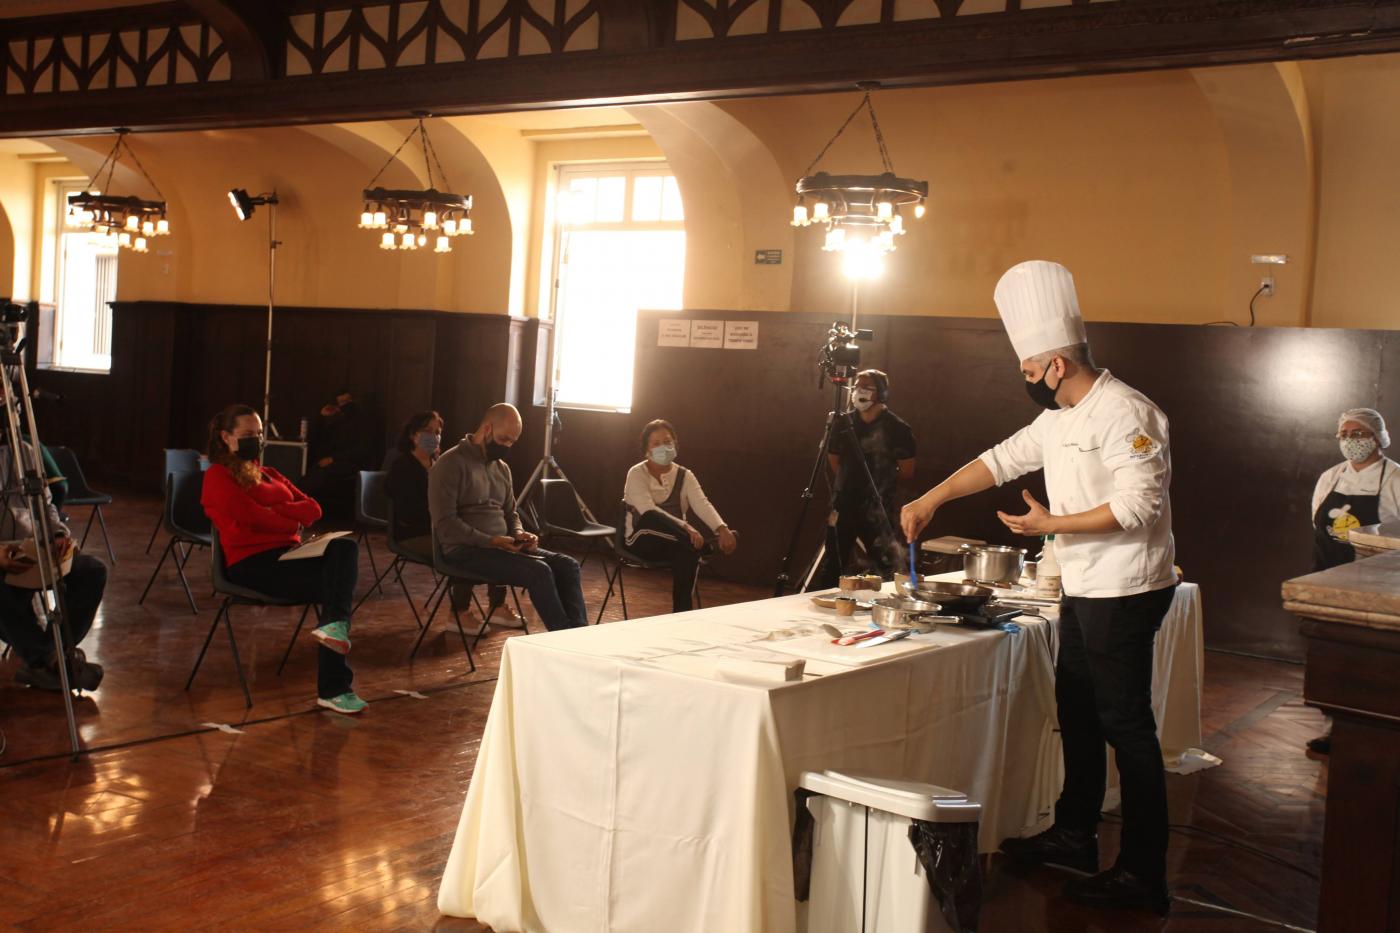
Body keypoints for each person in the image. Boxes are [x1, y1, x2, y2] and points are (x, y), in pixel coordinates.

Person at [901, 260, 1177, 915]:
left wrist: (1053, 525)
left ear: (1056, 364)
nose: (1025, 378)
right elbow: (999, 460)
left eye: (1028, 369)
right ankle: (1075, 833)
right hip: (1083, 586)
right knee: (1076, 708)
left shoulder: (1128, 411)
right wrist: (931, 498)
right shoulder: (1059, 418)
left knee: (1126, 726)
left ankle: (1143, 872)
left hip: (1126, 588)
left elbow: (1139, 506)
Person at [201, 403, 366, 715]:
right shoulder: (218, 476)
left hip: (288, 555)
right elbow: (251, 518)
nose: (256, 439)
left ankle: (334, 633)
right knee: (337, 590)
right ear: (226, 437)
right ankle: (335, 688)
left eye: (259, 433)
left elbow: (314, 510)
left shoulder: (270, 474)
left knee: (345, 549)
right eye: (248, 434)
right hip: (251, 564)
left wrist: (275, 512)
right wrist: (290, 520)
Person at [428, 403, 586, 631]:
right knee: (539, 571)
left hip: (502, 547)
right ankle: (562, 637)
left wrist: (519, 533)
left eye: (512, 441)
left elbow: (511, 513)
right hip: (464, 550)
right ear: (487, 428)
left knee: (568, 566)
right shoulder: (449, 464)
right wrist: (492, 541)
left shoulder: (501, 468)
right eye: (503, 439)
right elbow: (446, 526)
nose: (507, 446)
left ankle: (577, 634)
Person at [1304, 407, 1399, 755]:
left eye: (1358, 433)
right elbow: (1316, 521)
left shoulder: (1395, 478)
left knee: (1371, 659)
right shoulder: (1330, 477)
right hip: (1328, 573)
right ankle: (1334, 727)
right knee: (1331, 654)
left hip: (1374, 583)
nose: (1350, 441)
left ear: (1378, 437)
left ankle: (1378, 728)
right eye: (1344, 434)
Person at [385, 410, 520, 622]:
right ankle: (459, 611)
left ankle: (497, 605)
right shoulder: (402, 466)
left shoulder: (438, 463)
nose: (434, 436)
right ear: (413, 434)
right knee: (464, 542)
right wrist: (450, 520)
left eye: (437, 432)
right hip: (414, 533)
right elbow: (409, 512)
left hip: (442, 529)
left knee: (492, 536)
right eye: (427, 431)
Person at [0, 435, 106, 692]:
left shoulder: (24, 451)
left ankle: (55, 658)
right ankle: (51, 660)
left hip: (31, 547)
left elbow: (45, 504)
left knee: (92, 571)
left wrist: (57, 534)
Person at [811, 368, 916, 588]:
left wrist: (880, 482)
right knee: (833, 564)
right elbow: (833, 460)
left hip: (879, 507)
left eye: (867, 387)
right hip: (844, 503)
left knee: (886, 565)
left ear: (882, 393)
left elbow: (907, 470)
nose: (859, 391)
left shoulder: (898, 428)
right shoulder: (842, 423)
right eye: (857, 386)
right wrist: (851, 481)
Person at [622, 419, 737, 613]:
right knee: (652, 516)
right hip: (640, 540)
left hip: (676, 542)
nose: (663, 447)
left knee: (687, 553)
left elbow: (701, 503)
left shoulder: (685, 475)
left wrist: (722, 529)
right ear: (646, 449)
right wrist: (686, 527)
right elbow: (647, 510)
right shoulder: (636, 473)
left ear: (675, 443)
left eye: (667, 441)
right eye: (656, 443)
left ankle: (681, 614)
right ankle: (706, 548)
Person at [303, 389, 375, 519]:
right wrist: (322, 417)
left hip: (353, 463)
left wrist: (333, 459)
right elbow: (319, 437)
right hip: (335, 461)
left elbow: (362, 450)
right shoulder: (339, 422)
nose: (345, 404)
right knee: (313, 469)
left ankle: (304, 506)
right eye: (341, 402)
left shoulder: (364, 422)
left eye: (347, 401)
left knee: (322, 473)